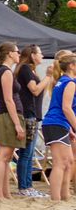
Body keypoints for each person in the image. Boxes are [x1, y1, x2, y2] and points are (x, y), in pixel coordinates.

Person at [0, 42, 25, 200]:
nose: (19, 54)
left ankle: (5, 192)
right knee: (3, 155)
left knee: (7, 156)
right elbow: (8, 99)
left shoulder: (3, 71)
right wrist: (17, 123)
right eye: (17, 51)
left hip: (7, 114)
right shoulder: (5, 72)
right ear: (10, 53)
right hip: (7, 115)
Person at [14, 45, 50, 197]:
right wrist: (48, 77)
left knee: (29, 153)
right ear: (33, 55)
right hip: (28, 114)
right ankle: (24, 187)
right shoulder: (25, 69)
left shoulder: (29, 69)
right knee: (26, 153)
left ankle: (28, 186)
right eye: (40, 53)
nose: (42, 56)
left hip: (32, 114)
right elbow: (34, 90)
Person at [41, 52, 76, 202]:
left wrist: (69, 128)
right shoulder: (70, 82)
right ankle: (55, 198)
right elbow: (66, 108)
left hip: (58, 123)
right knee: (60, 163)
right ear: (72, 66)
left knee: (68, 162)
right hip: (56, 123)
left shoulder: (62, 80)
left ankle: (65, 195)